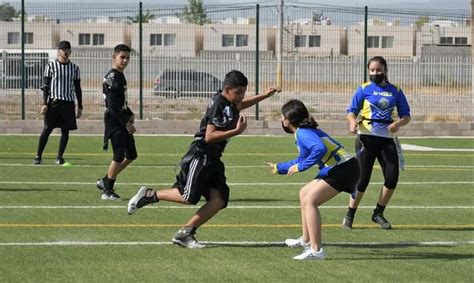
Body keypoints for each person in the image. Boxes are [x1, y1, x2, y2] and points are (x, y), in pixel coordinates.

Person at [127, 70, 280, 248]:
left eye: (243, 92)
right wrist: (236, 131)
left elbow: (240, 105)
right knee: (188, 197)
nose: (241, 96)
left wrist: (264, 95)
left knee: (220, 199)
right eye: (238, 93)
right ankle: (149, 195)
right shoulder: (218, 104)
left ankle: (185, 233)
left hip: (214, 158)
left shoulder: (229, 102)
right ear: (227, 89)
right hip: (201, 155)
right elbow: (209, 136)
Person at [269, 99, 359, 260]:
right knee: (304, 193)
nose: (281, 120)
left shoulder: (303, 133)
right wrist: (279, 168)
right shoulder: (303, 132)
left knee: (311, 201)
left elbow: (319, 149)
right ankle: (306, 239)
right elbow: (302, 158)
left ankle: (316, 251)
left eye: (282, 117)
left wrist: (301, 168)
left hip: (344, 169)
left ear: (288, 120)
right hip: (340, 168)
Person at [341, 56, 411, 230]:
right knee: (362, 179)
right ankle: (350, 214)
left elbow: (406, 116)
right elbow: (351, 111)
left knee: (392, 178)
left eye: (378, 70)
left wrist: (398, 123)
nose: (375, 73)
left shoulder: (395, 90)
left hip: (386, 140)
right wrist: (352, 122)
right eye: (372, 70)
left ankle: (378, 213)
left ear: (385, 70)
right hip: (366, 138)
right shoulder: (364, 89)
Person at [96, 44, 136, 201]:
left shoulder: (119, 75)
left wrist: (130, 113)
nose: (125, 60)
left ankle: (106, 180)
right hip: (115, 121)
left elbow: (120, 103)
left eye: (127, 58)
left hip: (120, 118)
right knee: (118, 156)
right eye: (122, 57)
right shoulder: (113, 77)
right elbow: (112, 106)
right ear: (114, 57)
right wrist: (126, 122)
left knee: (131, 154)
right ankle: (107, 190)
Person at [33, 40, 82, 165]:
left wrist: (80, 106)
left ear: (70, 51)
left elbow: (77, 88)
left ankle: (59, 157)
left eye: (67, 49)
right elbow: (46, 85)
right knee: (47, 128)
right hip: (54, 102)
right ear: (58, 51)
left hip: (68, 103)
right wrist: (45, 103)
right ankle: (38, 155)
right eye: (63, 49)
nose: (65, 52)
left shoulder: (75, 68)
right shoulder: (51, 66)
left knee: (65, 130)